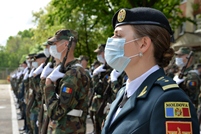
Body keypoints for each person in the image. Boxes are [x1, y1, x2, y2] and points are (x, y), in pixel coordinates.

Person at [101, 7, 199, 134]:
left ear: (143, 44)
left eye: (118, 35)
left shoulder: (169, 99)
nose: (111, 40)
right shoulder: (123, 92)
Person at [44, 29, 91, 134]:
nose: (52, 48)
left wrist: (48, 84)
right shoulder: (68, 71)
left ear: (66, 44)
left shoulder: (72, 74)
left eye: (55, 44)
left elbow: (57, 112)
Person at [89, 44, 112, 134]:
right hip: (98, 105)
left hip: (107, 106)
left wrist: (95, 77)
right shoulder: (102, 70)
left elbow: (101, 90)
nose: (99, 55)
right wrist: (95, 75)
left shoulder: (111, 70)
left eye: (100, 53)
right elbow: (95, 88)